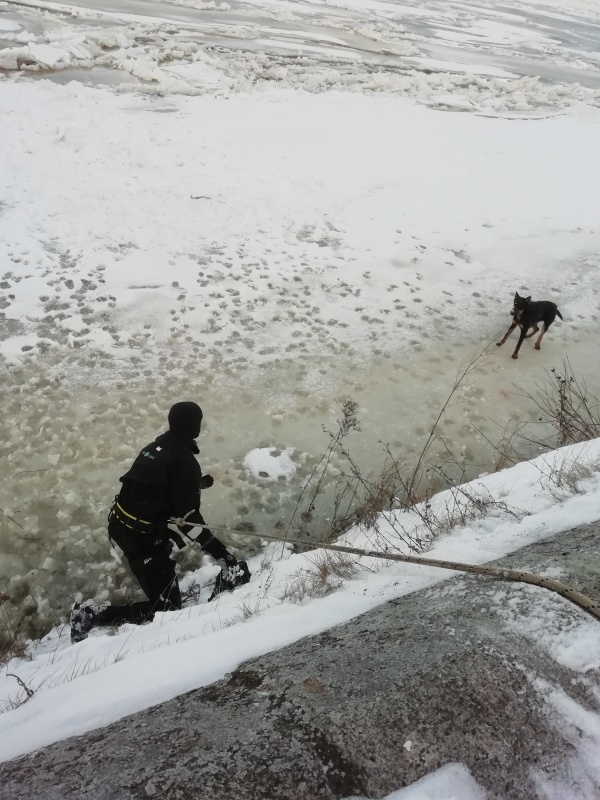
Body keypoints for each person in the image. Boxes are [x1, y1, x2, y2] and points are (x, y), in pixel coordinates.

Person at [70, 401, 250, 644]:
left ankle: (155, 566)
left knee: (161, 576)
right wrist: (224, 556)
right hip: (140, 539)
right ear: (194, 426)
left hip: (121, 526)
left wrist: (194, 484)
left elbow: (153, 485)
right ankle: (90, 616)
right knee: (166, 610)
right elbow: (189, 523)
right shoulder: (184, 461)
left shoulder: (155, 447)